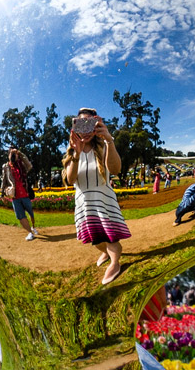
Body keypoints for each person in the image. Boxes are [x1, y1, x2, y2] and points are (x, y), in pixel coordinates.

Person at [64, 108, 130, 285]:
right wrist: (76, 153)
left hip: (103, 201)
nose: (85, 129)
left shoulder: (103, 146)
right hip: (84, 204)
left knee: (111, 237)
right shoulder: (72, 150)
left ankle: (115, 263)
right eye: (81, 123)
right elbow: (70, 180)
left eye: (89, 123)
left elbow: (115, 170)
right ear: (75, 126)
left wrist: (109, 140)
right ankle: (106, 252)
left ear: (97, 125)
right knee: (96, 240)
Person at [3, 147, 39, 240]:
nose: (14, 156)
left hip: (25, 194)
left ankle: (33, 227)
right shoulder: (6, 167)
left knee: (31, 214)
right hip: (15, 197)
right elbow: (4, 181)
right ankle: (30, 233)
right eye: (12, 154)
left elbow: (29, 165)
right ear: (8, 155)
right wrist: (2, 194)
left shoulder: (22, 165)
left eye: (15, 154)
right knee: (20, 216)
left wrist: (20, 154)